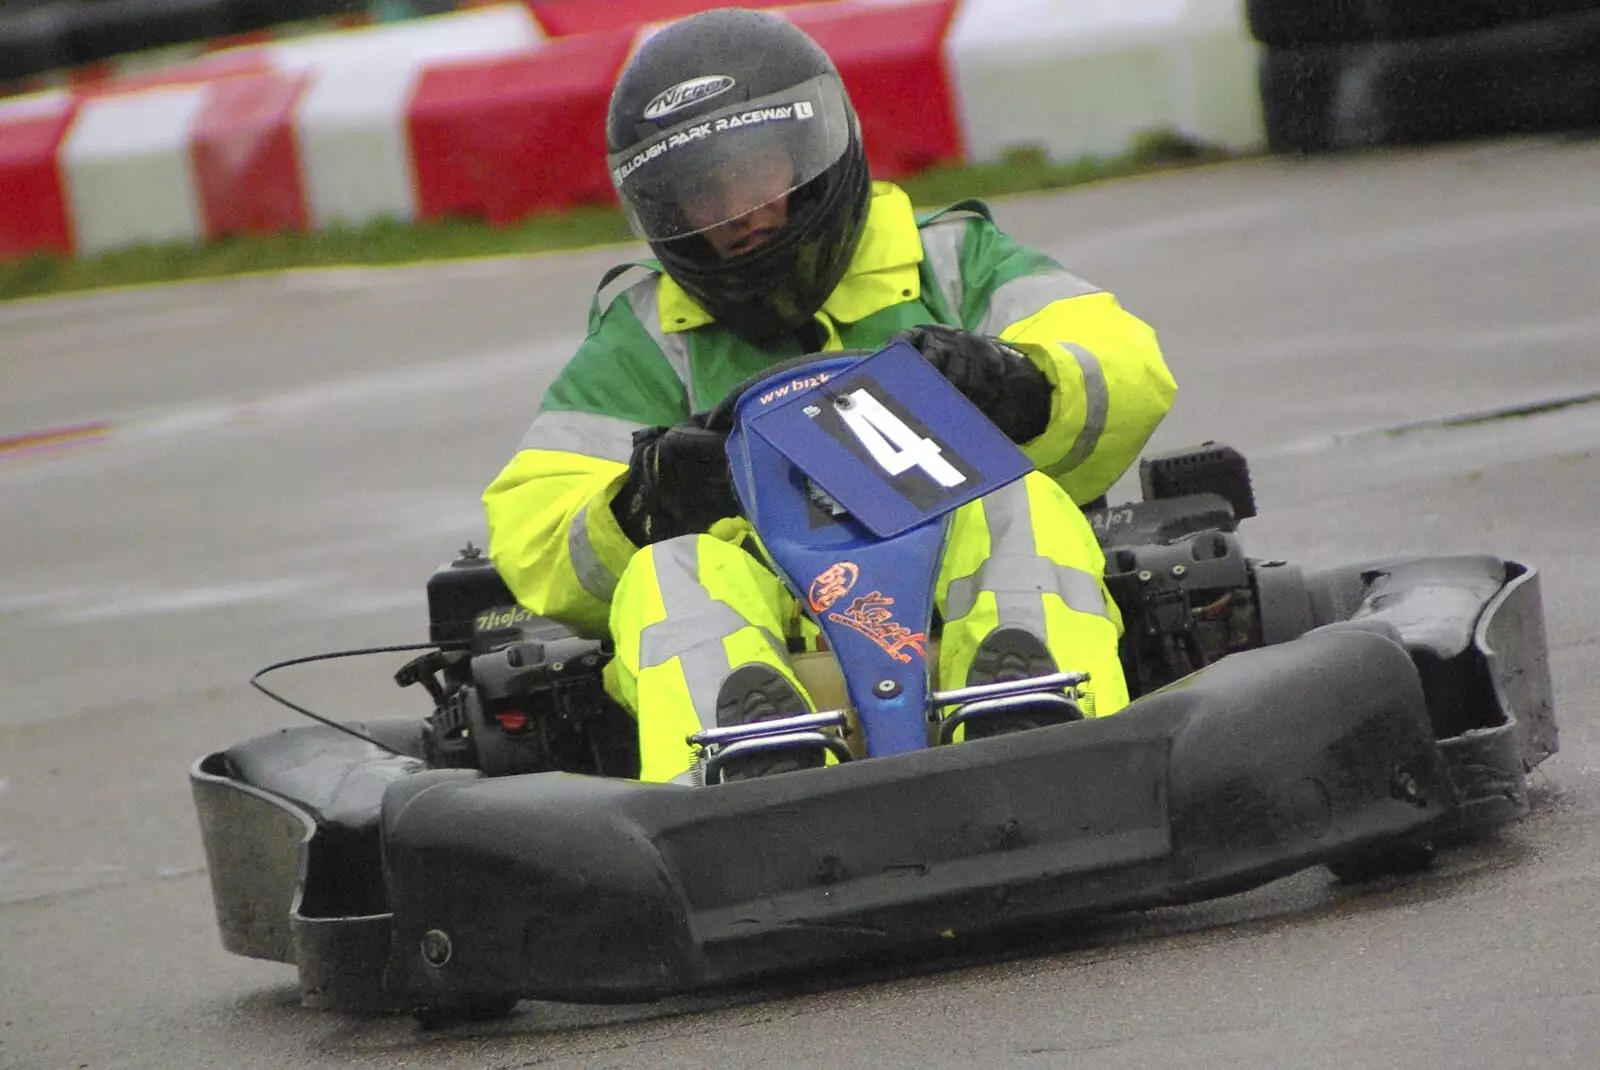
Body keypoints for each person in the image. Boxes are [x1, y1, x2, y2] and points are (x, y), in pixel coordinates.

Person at [483, 7, 1178, 783]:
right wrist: (642, 505)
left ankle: (1033, 719)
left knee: (1022, 504)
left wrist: (1019, 382)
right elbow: (534, 530)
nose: (738, 219)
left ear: (815, 151)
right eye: (700, 199)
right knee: (668, 574)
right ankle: (753, 769)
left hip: (955, 590)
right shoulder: (650, 339)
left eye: (756, 175)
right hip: (774, 625)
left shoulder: (948, 263)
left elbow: (1125, 364)